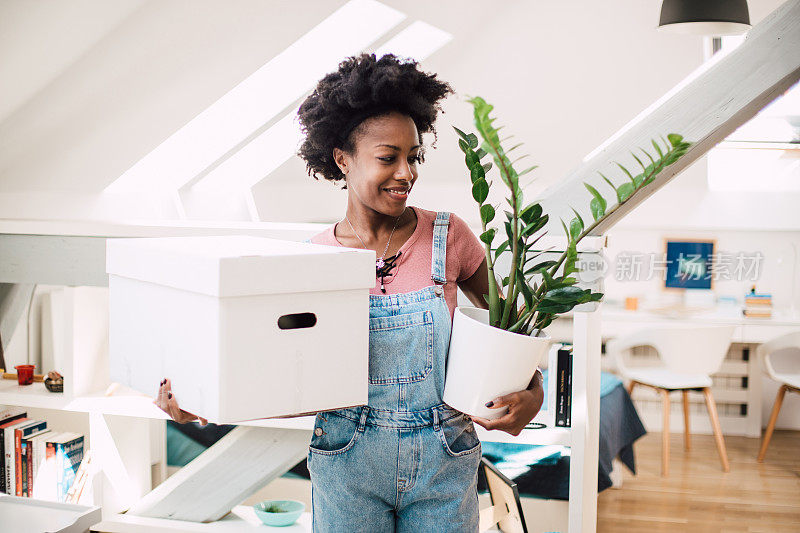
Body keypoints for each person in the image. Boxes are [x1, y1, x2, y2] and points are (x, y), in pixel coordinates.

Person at [156, 53, 544, 532]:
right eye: (388, 157)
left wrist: (534, 392)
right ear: (342, 158)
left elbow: (518, 326)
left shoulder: (450, 236)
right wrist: (204, 403)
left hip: (445, 458)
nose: (407, 172)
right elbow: (286, 378)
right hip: (346, 463)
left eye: (413, 156)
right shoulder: (309, 261)